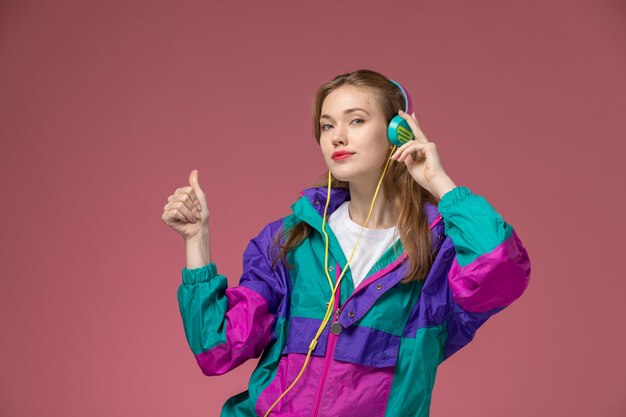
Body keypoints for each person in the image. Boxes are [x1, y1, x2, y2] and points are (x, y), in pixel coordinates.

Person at [161, 69, 531, 417]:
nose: (337, 136)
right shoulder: (291, 241)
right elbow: (218, 348)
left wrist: (440, 183)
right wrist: (197, 240)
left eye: (356, 120)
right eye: (326, 125)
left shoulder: (440, 252)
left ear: (396, 130)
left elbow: (502, 272)